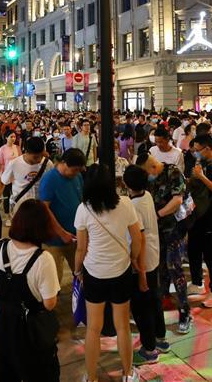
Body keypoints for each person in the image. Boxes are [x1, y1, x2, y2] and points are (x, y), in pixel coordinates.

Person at [0, 199, 60, 381]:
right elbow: (49, 304)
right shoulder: (43, 259)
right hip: (32, 329)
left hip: (3, 323)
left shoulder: (0, 246)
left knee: (4, 371)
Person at [74, 163, 145, 382]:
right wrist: (133, 258)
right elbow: (138, 237)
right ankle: (128, 373)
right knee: (122, 326)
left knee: (93, 329)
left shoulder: (83, 209)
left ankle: (92, 377)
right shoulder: (125, 203)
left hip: (94, 272)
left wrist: (78, 270)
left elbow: (81, 248)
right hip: (121, 271)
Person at [139, 153, 192, 333]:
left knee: (175, 268)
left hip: (174, 230)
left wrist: (157, 215)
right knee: (160, 268)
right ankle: (162, 301)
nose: (147, 178)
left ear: (152, 167)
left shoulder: (173, 173)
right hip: (156, 232)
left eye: (146, 173)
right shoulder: (149, 178)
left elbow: (177, 200)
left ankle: (185, 311)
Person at [124, 165, 170, 364]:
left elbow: (138, 239)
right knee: (154, 299)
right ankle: (161, 339)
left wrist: (140, 272)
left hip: (143, 259)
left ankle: (149, 349)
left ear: (125, 184)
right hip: (154, 255)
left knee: (142, 306)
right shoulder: (148, 195)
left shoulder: (132, 206)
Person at [186, 133, 212, 307]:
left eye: (198, 150)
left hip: (211, 214)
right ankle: (197, 282)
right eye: (194, 150)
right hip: (196, 214)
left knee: (211, 254)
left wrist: (202, 177)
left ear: (208, 148)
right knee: (193, 249)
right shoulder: (200, 163)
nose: (195, 153)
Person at [37, 147, 85, 287]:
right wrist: (61, 233)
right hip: (53, 240)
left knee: (80, 272)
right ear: (64, 163)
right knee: (53, 280)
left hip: (75, 237)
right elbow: (44, 209)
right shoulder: (49, 179)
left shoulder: (77, 177)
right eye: (74, 170)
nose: (76, 173)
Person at [0, 136, 49, 214]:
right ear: (26, 152)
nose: (39, 160)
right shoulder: (14, 163)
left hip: (40, 207)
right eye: (35, 157)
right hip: (21, 207)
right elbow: (4, 181)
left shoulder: (47, 164)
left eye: (41, 156)